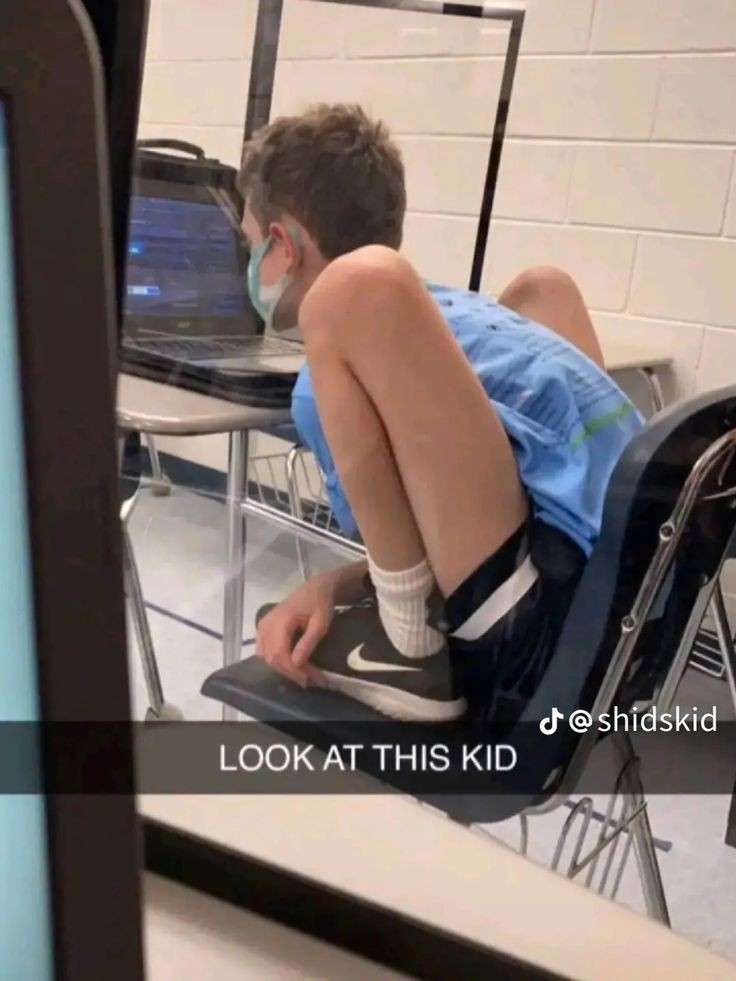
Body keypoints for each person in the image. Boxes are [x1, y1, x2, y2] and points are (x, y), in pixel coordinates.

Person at [239, 103, 644, 725]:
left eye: (250, 245)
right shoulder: (468, 319)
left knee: (347, 296)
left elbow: (416, 566)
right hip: (643, 617)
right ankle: (401, 630)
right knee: (542, 286)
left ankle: (410, 652)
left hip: (549, 647)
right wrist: (331, 586)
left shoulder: (334, 349)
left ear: (283, 245)